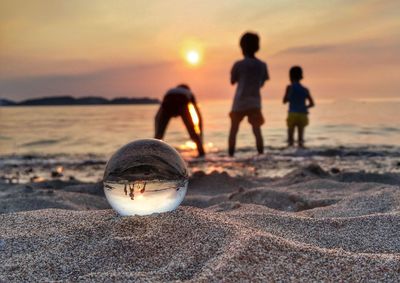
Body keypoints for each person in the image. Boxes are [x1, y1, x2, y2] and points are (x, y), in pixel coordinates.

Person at [228, 32, 269, 157]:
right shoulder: (262, 65)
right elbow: (262, 83)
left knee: (234, 130)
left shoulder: (238, 64)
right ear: (257, 47)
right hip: (254, 102)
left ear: (242, 47)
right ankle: (261, 154)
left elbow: (232, 81)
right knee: (257, 131)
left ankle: (231, 155)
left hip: (239, 102)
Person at [155, 84, 205, 157]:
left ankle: (154, 153)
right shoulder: (189, 93)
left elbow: (157, 117)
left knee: (159, 135)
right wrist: (199, 135)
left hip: (167, 105)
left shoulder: (170, 91)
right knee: (192, 132)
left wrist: (157, 131)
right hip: (182, 103)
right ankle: (201, 153)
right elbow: (198, 114)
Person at [283, 66, 315, 147]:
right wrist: (304, 107)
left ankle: (291, 154)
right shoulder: (305, 89)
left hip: (292, 114)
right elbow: (312, 104)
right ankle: (301, 154)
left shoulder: (289, 87)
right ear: (301, 76)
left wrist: (290, 96)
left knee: (290, 139)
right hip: (302, 114)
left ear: (290, 76)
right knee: (301, 139)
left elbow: (284, 101)